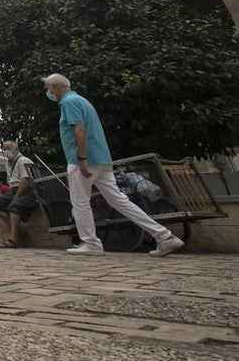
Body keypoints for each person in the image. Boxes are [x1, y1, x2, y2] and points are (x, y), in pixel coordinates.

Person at [43, 73, 184, 257]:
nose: (47, 92)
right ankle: (164, 237)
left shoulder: (69, 103)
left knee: (80, 201)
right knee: (119, 200)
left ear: (56, 86)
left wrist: (82, 158)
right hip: (102, 158)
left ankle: (90, 242)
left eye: (48, 88)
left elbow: (79, 129)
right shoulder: (82, 101)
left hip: (84, 160)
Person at [0, 141, 38, 247]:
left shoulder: (23, 161)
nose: (6, 151)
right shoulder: (8, 163)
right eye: (5, 149)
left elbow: (26, 181)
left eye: (9, 148)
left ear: (17, 149)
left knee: (14, 206)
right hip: (13, 190)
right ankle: (17, 231)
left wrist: (16, 197)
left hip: (28, 191)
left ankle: (14, 239)